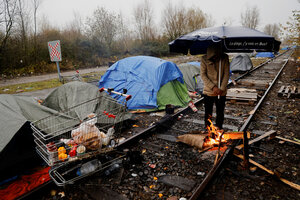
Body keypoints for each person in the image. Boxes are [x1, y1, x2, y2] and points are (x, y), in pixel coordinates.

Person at [200, 43, 230, 130]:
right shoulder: (204, 59)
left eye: (216, 56)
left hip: (221, 91)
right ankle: (208, 129)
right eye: (213, 57)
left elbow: (226, 74)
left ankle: (219, 128)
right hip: (209, 91)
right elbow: (203, 75)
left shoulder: (224, 58)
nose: (215, 58)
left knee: (220, 112)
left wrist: (221, 88)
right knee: (208, 112)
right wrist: (213, 87)